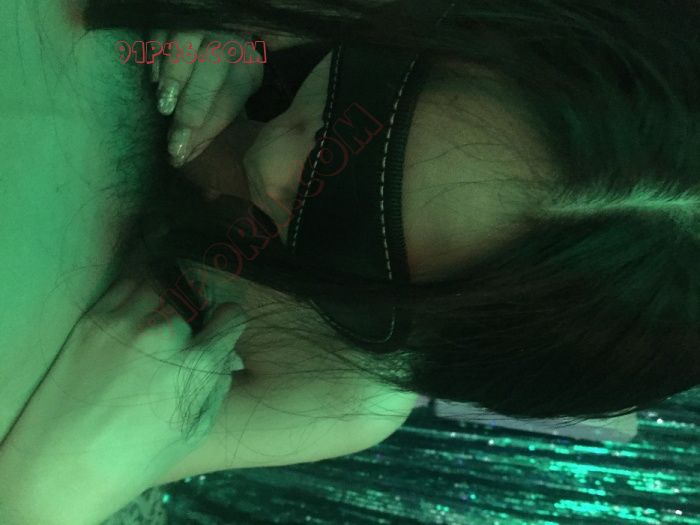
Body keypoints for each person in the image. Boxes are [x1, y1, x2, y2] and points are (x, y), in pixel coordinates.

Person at [1, 0, 699, 521]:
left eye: (351, 228)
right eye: (368, 107)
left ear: (427, 347)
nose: (274, 165)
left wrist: (47, 492)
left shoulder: (335, 394)